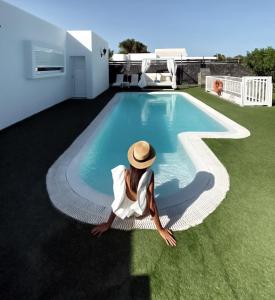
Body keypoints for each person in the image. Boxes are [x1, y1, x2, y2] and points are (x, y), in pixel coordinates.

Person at [91, 140, 176, 246]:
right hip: (141, 212)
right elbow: (151, 205)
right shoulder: (149, 175)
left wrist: (108, 223)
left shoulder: (123, 173)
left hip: (125, 212)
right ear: (148, 163)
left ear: (132, 160)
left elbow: (118, 200)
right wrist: (160, 229)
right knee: (148, 198)